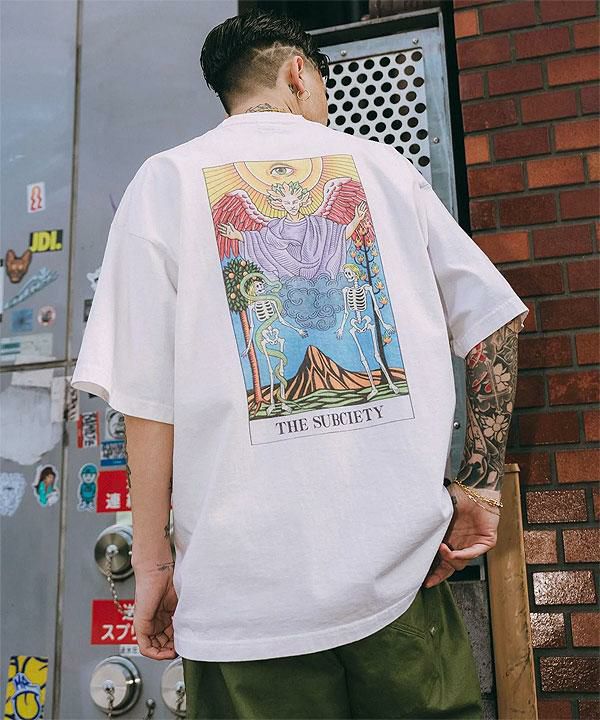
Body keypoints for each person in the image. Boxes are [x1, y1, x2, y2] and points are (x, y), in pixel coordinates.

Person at [70, 8, 529, 719]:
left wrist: (154, 565)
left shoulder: (164, 182)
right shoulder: (384, 167)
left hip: (242, 604)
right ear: (298, 74)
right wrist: (480, 488)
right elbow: (494, 321)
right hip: (399, 584)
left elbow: (146, 402)